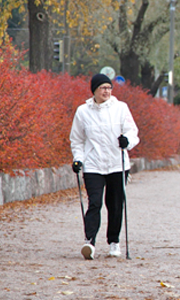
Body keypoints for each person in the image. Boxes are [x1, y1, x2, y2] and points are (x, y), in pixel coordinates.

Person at [70, 73, 140, 260]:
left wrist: (128, 141)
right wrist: (78, 159)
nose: (107, 91)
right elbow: (76, 140)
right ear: (94, 90)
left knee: (115, 205)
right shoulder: (82, 111)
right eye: (103, 88)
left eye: (109, 88)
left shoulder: (121, 108)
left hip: (117, 163)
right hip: (93, 164)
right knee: (95, 203)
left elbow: (133, 132)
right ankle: (90, 242)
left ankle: (114, 241)